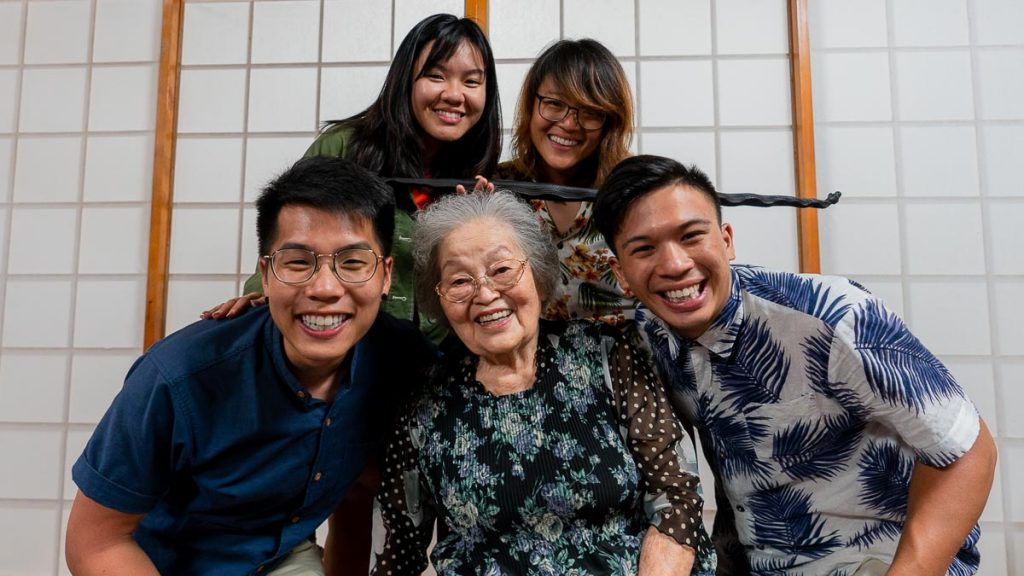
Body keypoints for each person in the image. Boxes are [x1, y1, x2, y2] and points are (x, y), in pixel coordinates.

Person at [592, 154, 998, 575]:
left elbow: (969, 449)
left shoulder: (834, 317)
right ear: (621, 274)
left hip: (880, 557)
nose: (675, 265)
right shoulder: (645, 336)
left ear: (726, 240)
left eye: (692, 236)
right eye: (644, 249)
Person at [65, 156, 435, 575]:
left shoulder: (400, 360)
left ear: (386, 276)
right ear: (267, 274)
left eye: (352, 263)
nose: (326, 289)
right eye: (297, 262)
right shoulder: (178, 376)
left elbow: (355, 498)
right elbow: (95, 543)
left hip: (281, 557)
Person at [371, 191, 717, 575]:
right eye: (459, 281)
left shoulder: (607, 355)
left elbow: (677, 498)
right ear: (440, 299)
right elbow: (396, 551)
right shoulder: (424, 400)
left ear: (536, 274)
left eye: (502, 270)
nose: (485, 294)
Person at [207, 13, 501, 341]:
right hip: (347, 346)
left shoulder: (481, 171)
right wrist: (261, 291)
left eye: (471, 82)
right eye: (435, 76)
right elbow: (291, 232)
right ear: (406, 79)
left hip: (441, 355)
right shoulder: (345, 145)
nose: (454, 94)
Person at [495, 38, 635, 324]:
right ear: (531, 105)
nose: (569, 123)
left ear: (610, 120)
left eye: (590, 111)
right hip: (525, 361)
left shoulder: (636, 190)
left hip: (624, 362)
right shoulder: (498, 187)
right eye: (555, 104)